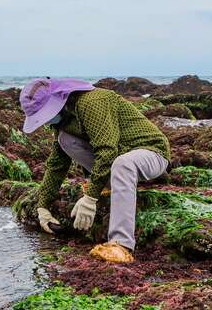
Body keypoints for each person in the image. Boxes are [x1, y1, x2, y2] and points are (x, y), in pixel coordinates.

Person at [19, 78, 170, 263]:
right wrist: (43, 207)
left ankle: (121, 245)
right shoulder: (64, 118)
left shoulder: (93, 102)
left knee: (123, 163)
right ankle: (110, 184)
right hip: (118, 164)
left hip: (150, 153)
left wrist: (90, 198)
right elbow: (57, 164)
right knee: (65, 140)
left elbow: (107, 151)